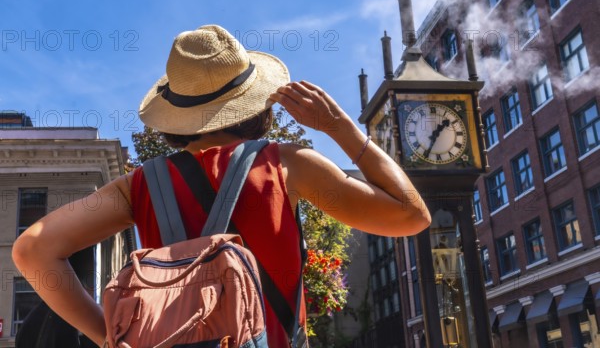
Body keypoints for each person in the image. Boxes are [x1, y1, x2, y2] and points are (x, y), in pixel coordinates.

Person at [12, 25, 431, 347]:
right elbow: (411, 215)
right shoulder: (286, 166)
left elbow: (32, 249)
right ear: (254, 102)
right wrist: (342, 129)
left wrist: (108, 334)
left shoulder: (136, 185)